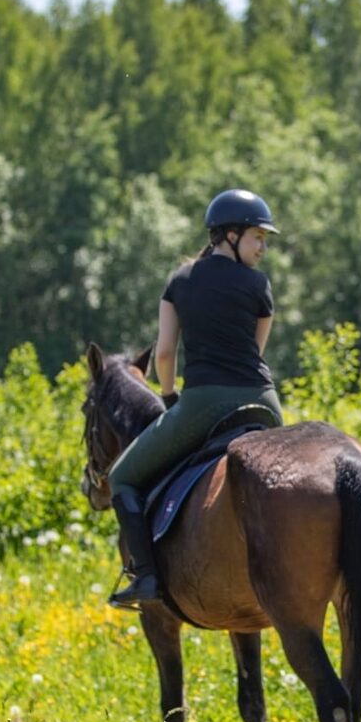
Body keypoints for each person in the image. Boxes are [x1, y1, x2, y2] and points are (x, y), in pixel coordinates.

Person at [106, 189, 285, 609]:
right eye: (258, 237)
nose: (263, 247)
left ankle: (147, 577)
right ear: (229, 235)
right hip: (265, 402)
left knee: (121, 478)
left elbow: (164, 352)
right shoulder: (259, 286)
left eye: (264, 239)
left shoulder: (180, 282)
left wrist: (169, 395)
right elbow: (255, 352)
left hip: (204, 403)